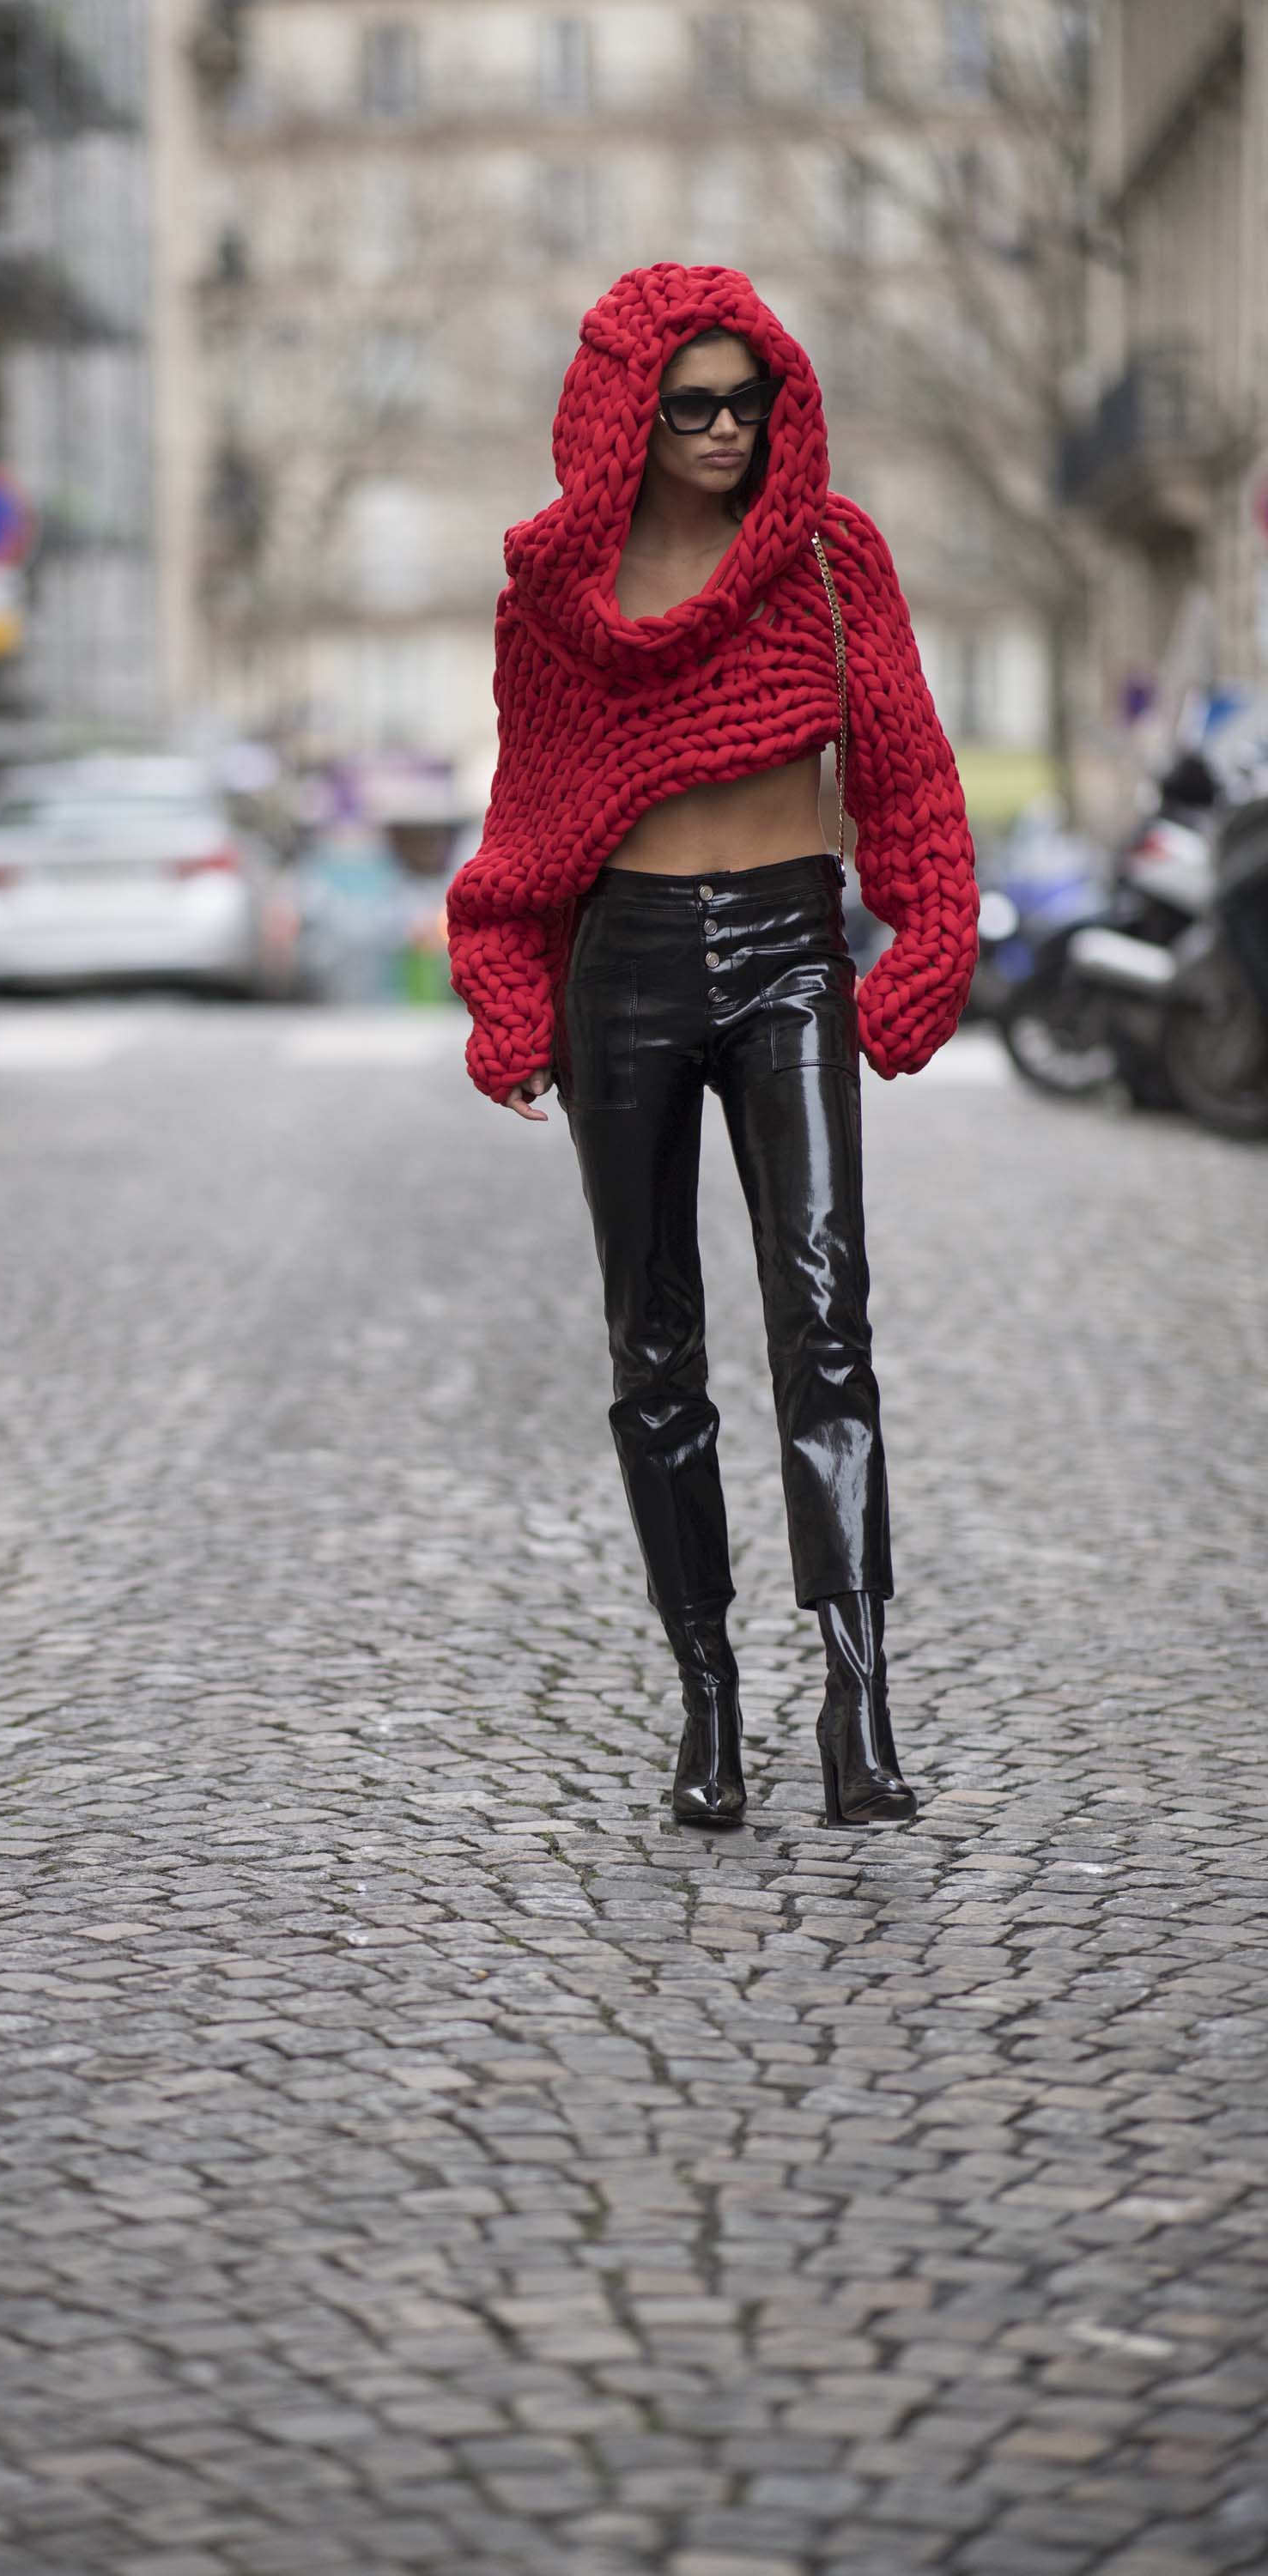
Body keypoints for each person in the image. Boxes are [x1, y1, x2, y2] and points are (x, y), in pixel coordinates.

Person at [446, 266, 979, 1830]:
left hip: (791, 956)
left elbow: (906, 766)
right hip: (626, 970)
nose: (730, 429)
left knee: (827, 1320)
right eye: (695, 404)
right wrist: (509, 985)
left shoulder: (826, 557)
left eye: (752, 399)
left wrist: (929, 937)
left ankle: (857, 1704)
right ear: (628, 410)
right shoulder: (556, 594)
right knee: (653, 1351)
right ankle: (709, 1706)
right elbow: (530, 812)